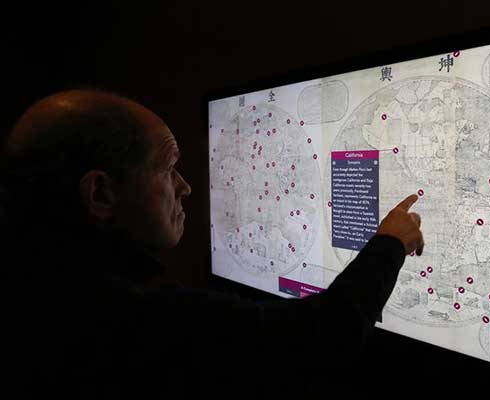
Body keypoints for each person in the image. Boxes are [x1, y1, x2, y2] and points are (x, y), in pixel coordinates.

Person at [1, 89, 424, 399]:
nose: (185, 187)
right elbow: (323, 338)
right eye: (167, 169)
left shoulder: (31, 284)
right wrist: (390, 242)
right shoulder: (138, 322)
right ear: (100, 194)